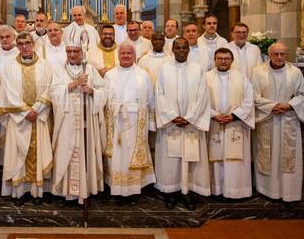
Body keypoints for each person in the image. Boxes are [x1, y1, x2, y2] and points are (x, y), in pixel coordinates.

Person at [0, 32, 53, 206]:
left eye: (27, 43)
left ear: (33, 44)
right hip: (18, 120)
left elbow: (50, 89)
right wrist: (24, 112)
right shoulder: (10, 67)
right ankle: (20, 192)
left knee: (38, 153)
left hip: (39, 117)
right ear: (17, 45)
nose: (24, 46)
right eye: (20, 43)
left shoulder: (45, 66)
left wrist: (36, 109)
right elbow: (7, 93)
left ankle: (37, 192)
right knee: (18, 154)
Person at [154, 37, 211, 210]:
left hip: (191, 124)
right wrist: (172, 116)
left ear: (188, 49)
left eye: (184, 47)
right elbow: (159, 94)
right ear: (172, 49)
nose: (181, 50)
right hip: (171, 124)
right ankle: (171, 193)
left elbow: (203, 95)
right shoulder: (164, 69)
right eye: (177, 47)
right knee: (171, 160)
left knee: (190, 159)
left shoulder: (197, 69)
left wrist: (190, 117)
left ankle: (187, 191)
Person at [251, 42, 304, 203]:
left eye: (282, 54)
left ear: (287, 54)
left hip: (288, 119)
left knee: (288, 156)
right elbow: (253, 96)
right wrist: (272, 106)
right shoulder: (258, 72)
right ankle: (266, 190)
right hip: (266, 120)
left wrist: (289, 105)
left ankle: (289, 192)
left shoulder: (295, 72)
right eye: (275, 54)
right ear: (269, 54)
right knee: (266, 154)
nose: (279, 57)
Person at [49, 38, 107, 204]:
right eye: (69, 51)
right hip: (66, 121)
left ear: (82, 52)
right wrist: (73, 84)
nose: (72, 55)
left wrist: (92, 91)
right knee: (66, 151)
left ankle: (86, 188)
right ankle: (66, 190)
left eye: (75, 51)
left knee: (87, 150)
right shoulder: (58, 70)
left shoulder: (89, 69)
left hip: (87, 122)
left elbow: (104, 90)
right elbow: (53, 92)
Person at [104, 43, 156, 202]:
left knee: (132, 154)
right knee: (118, 155)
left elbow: (151, 100)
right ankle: (116, 188)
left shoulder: (143, 75)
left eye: (128, 53)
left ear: (134, 55)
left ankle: (134, 189)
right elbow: (104, 99)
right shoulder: (110, 75)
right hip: (115, 121)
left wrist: (151, 124)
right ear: (118, 55)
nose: (125, 56)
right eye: (123, 53)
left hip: (135, 122)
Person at [206, 48, 255, 199]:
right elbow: (199, 100)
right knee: (216, 158)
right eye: (219, 58)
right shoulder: (206, 77)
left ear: (232, 60)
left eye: (226, 58)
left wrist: (234, 116)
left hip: (235, 124)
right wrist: (214, 115)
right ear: (214, 60)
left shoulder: (241, 78)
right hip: (214, 123)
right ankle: (217, 189)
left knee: (235, 161)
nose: (223, 61)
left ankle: (237, 190)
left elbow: (249, 101)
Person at [0, 25, 19, 166]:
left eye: (7, 37)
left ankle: (15, 162)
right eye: (2, 37)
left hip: (16, 100)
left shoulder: (19, 53)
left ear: (13, 37)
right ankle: (2, 163)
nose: (5, 40)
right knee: (0, 130)